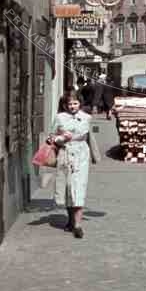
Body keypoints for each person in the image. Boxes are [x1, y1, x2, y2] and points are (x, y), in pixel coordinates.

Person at [47, 90, 92, 239]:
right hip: (65, 154)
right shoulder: (59, 118)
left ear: (80, 103)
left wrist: (71, 137)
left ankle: (78, 225)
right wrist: (59, 138)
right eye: (69, 104)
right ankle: (71, 220)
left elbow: (84, 135)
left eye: (75, 103)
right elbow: (51, 137)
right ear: (65, 105)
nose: (72, 106)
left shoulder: (86, 117)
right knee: (68, 188)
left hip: (81, 156)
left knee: (79, 187)